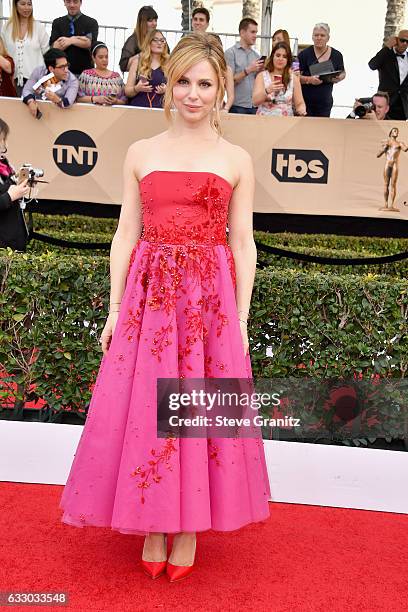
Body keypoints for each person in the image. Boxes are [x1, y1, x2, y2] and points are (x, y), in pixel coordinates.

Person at [59, 32, 271, 583]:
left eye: (205, 83)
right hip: (148, 300)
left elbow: (243, 243)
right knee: (145, 412)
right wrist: (111, 309)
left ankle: (189, 527)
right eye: (183, 81)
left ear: (223, 88)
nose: (193, 94)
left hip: (210, 303)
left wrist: (243, 320)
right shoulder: (141, 152)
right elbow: (125, 233)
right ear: (168, 85)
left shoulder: (236, 159)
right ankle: (153, 522)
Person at [1, 0, 49, 96]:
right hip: (13, 84)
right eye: (23, 4)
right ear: (15, 6)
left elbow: (48, 55)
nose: (27, 7)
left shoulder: (38, 27)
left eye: (29, 4)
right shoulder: (6, 28)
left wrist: (47, 81)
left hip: (37, 85)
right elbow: (3, 55)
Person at [298, 22, 345, 117]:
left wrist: (339, 77)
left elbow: (343, 72)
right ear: (312, 37)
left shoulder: (337, 55)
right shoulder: (304, 54)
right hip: (305, 102)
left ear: (328, 38)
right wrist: (309, 80)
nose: (319, 38)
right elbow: (295, 77)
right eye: (316, 35)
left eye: (322, 35)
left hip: (325, 102)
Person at [0, 118, 30, 251]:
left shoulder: (4, 164)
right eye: (2, 139)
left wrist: (17, 183)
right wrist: (10, 196)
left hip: (12, 241)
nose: (4, 144)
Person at [253, 42, 306, 116]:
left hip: (286, 122)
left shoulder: (293, 78)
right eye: (278, 55)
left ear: (288, 60)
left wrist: (302, 110)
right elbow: (255, 101)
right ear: (272, 57)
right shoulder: (262, 76)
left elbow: (299, 103)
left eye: (284, 56)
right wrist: (268, 90)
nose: (281, 59)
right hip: (264, 121)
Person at [22, 48, 79, 116]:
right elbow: (26, 90)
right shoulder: (38, 71)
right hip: (38, 114)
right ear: (51, 69)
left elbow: (68, 103)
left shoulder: (73, 80)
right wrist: (30, 101)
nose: (66, 70)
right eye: (62, 67)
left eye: (67, 65)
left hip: (60, 116)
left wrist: (57, 99)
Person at [49, 0, 98, 78]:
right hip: (62, 72)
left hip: (85, 73)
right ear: (64, 2)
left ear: (80, 3)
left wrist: (71, 40)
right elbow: (54, 47)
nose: (72, 5)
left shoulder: (91, 22)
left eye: (75, 2)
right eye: (68, 2)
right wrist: (80, 39)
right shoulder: (57, 22)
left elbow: (89, 43)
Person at [225, 17, 264, 114]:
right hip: (237, 106)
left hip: (254, 106)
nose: (255, 35)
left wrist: (261, 72)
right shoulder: (230, 53)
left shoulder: (257, 55)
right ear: (242, 33)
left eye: (256, 32)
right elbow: (229, 82)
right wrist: (248, 70)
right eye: (252, 32)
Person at [368, 31, 408, 120]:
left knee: (398, 132)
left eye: (407, 42)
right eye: (402, 40)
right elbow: (372, 65)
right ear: (396, 40)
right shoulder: (386, 54)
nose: (405, 44)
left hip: (402, 105)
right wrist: (387, 47)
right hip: (385, 101)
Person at [125, 30, 168, 108]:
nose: (159, 43)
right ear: (148, 42)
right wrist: (137, 88)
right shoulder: (137, 62)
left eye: (162, 40)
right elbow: (127, 91)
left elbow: (177, 90)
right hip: (138, 109)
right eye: (155, 40)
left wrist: (167, 91)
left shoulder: (169, 63)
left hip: (159, 111)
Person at [119, 5, 158, 74]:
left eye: (155, 20)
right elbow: (123, 65)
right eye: (150, 21)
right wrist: (142, 55)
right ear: (142, 22)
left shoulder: (159, 38)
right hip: (141, 78)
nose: (154, 23)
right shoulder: (133, 40)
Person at [377, 127, 408, 211]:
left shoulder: (400, 143)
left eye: (397, 131)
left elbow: (405, 149)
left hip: (395, 165)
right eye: (395, 131)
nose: (396, 132)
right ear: (391, 133)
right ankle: (386, 204)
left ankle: (392, 205)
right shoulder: (387, 142)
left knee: (393, 185)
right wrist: (384, 148)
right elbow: (378, 155)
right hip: (387, 164)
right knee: (386, 184)